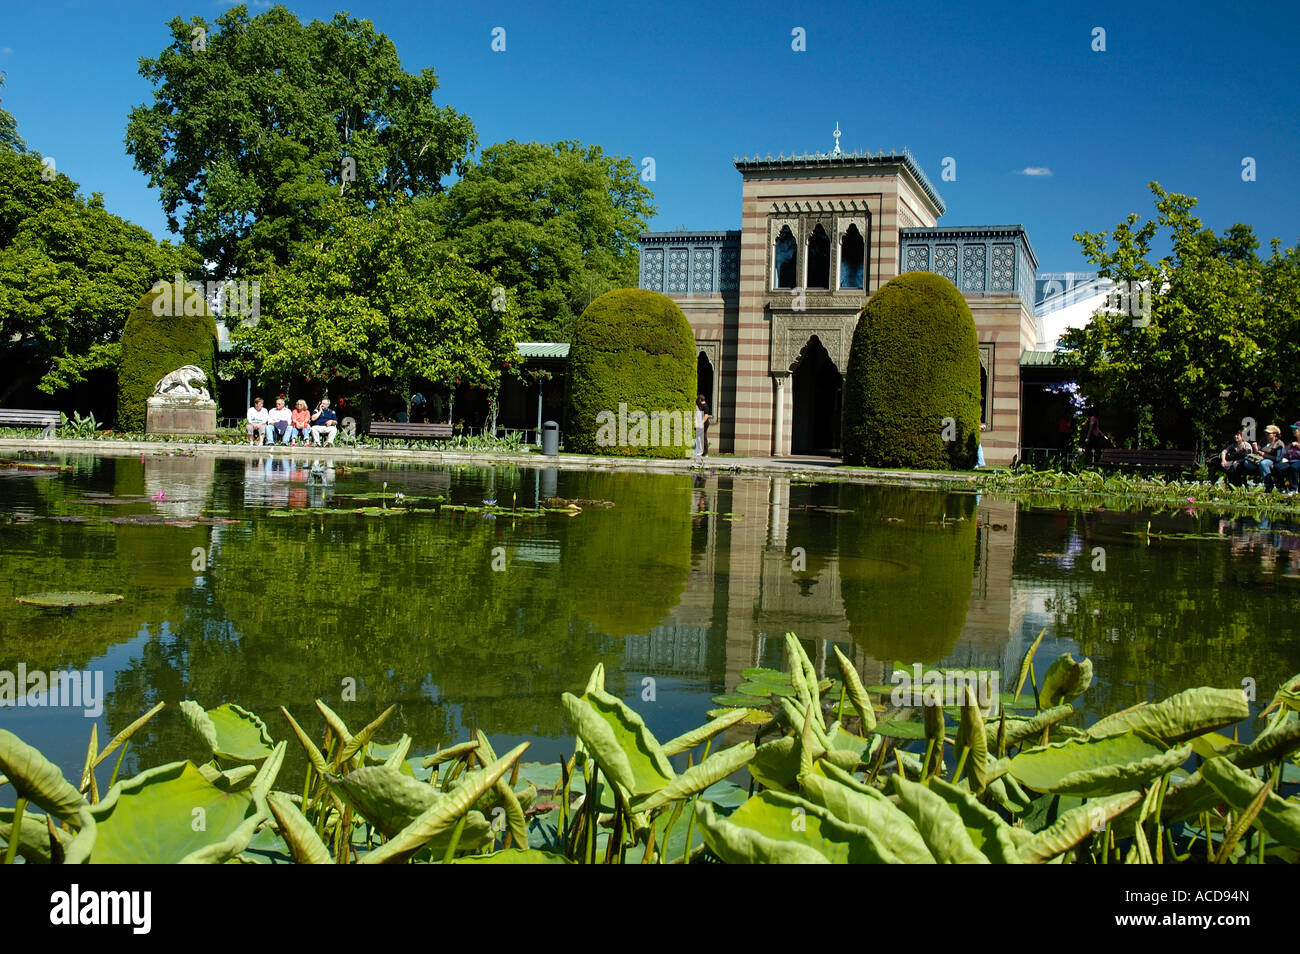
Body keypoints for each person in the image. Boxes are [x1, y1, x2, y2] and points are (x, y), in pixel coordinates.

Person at [1253, 424, 1287, 492]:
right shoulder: (1263, 441)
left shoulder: (1279, 443)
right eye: (1266, 433)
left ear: (1274, 434)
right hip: (1260, 459)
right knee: (1247, 463)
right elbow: (1258, 451)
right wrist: (1255, 449)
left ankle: (1268, 485)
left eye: (1268, 433)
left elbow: (1278, 458)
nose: (1266, 435)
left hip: (1272, 461)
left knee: (1263, 463)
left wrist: (1265, 455)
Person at [693, 394, 711, 458]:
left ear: (700, 399)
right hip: (701, 423)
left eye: (698, 399)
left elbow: (706, 415)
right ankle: (702, 452)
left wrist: (701, 423)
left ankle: (705, 453)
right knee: (700, 437)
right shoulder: (701, 405)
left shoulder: (705, 406)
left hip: (704, 423)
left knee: (703, 437)